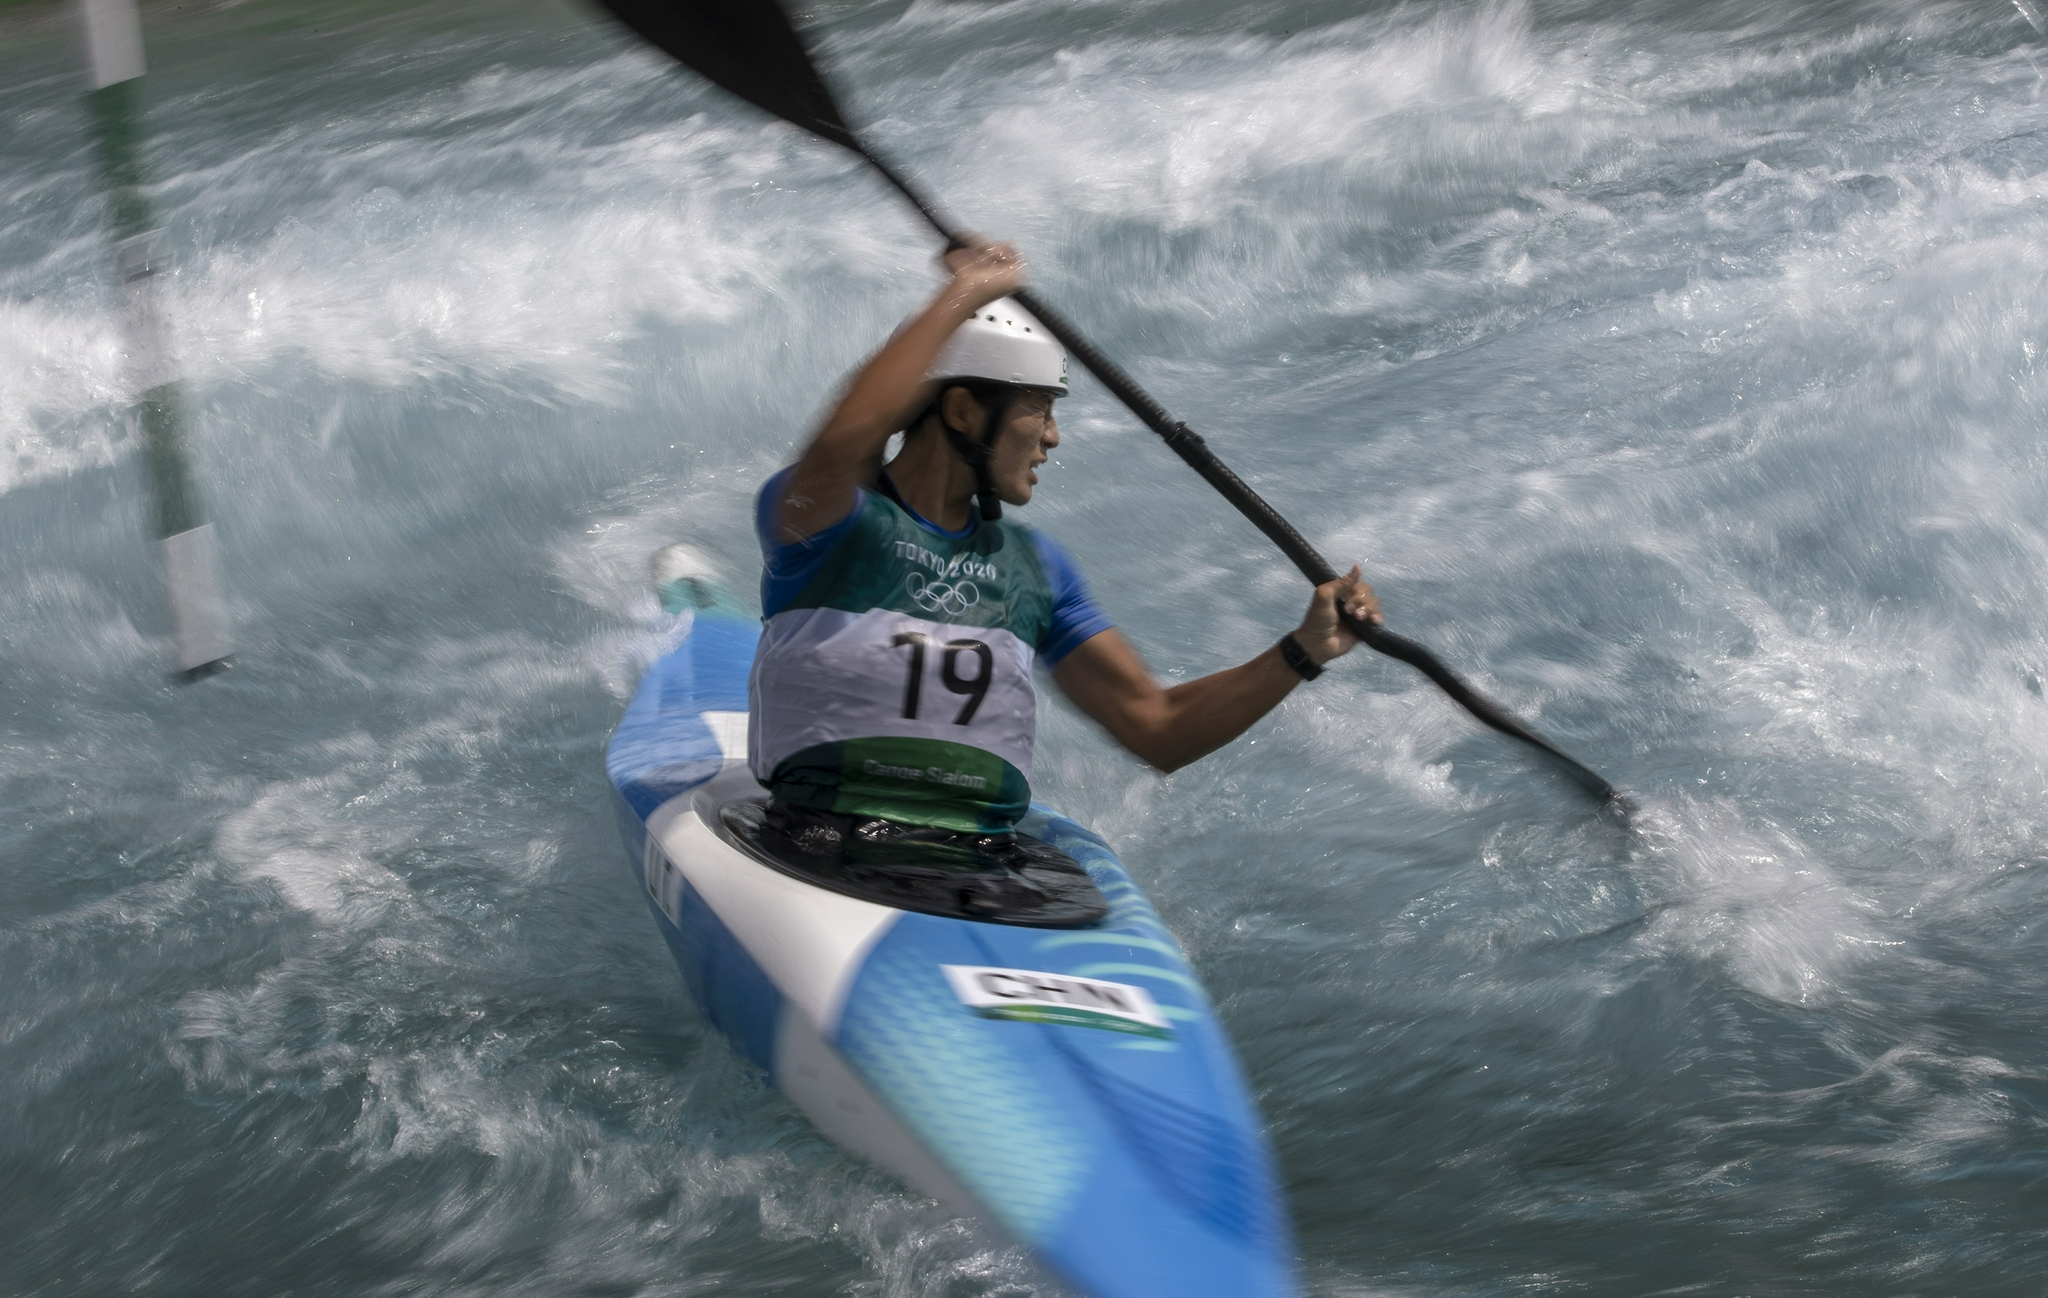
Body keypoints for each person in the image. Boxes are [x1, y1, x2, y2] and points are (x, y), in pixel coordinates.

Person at [748, 239, 1381, 865]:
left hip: (979, 859)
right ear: (964, 411)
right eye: (1038, 408)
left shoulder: (1036, 568)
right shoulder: (831, 521)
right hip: (822, 843)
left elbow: (1156, 726)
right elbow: (848, 432)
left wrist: (1303, 650)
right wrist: (966, 293)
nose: (1052, 436)